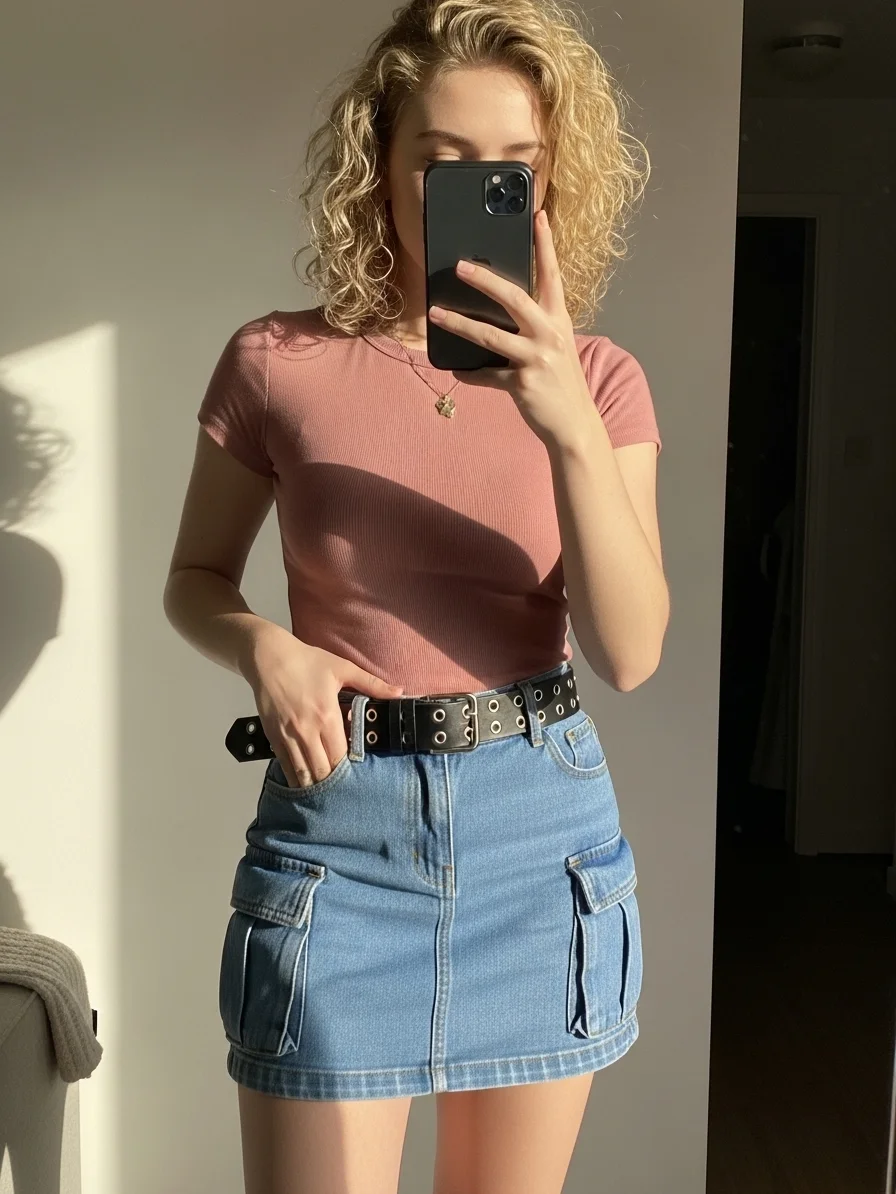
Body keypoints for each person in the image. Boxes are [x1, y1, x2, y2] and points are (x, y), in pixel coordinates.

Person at [163, 0, 668, 1190]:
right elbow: (194, 580)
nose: (480, 192)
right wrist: (263, 649)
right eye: (443, 164)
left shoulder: (600, 381)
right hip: (338, 837)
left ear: (550, 180)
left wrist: (564, 422)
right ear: (380, 168)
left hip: (537, 837)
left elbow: (629, 651)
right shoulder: (274, 360)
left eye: (513, 168)